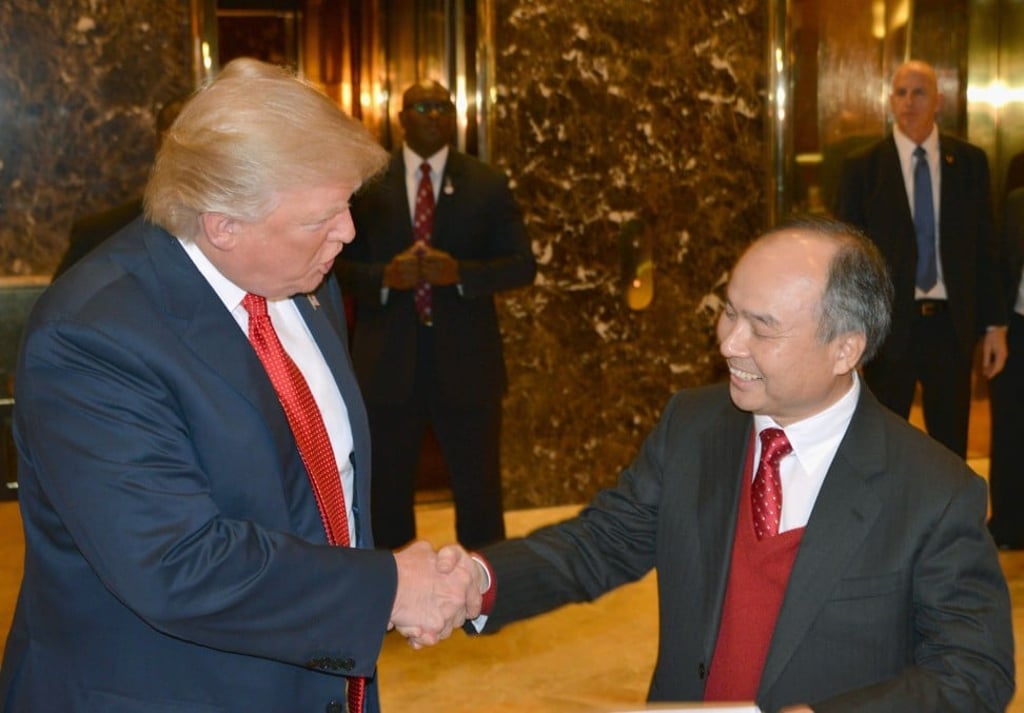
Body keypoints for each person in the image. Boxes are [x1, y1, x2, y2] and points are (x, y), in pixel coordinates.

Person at [0, 58, 482, 712]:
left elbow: (321, 491)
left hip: (326, 681)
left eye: (346, 206)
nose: (348, 232)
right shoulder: (92, 338)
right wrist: (388, 589)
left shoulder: (305, 280)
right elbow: (178, 561)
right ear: (222, 222)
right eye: (324, 216)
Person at [458, 218, 1014, 712]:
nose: (728, 342)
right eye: (729, 311)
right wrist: (476, 583)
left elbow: (973, 672)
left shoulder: (934, 491)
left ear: (845, 349)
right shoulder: (694, 426)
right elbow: (600, 543)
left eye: (762, 327)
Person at [336, 80, 536, 551]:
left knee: (479, 488)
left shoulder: (487, 183)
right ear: (401, 118)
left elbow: (522, 265)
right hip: (386, 363)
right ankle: (396, 594)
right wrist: (386, 277)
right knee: (386, 491)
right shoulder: (367, 184)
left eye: (443, 107)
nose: (433, 115)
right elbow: (334, 269)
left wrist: (460, 273)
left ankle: (484, 595)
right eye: (422, 107)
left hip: (467, 363)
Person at [834, 60, 1007, 458]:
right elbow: (848, 259)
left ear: (939, 101)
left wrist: (995, 324)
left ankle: (947, 521)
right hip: (888, 326)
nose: (908, 102)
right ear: (890, 100)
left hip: (951, 326)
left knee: (949, 447)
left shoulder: (970, 164)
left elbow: (986, 247)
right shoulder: (863, 168)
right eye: (900, 93)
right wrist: (848, 329)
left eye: (919, 92)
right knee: (880, 444)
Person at [53, 96, 187, 278]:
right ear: (160, 149)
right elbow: (64, 305)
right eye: (184, 147)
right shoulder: (99, 238)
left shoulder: (236, 238)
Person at [988, 186, 1024, 549]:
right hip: (1017, 327)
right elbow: (997, 267)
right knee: (1011, 429)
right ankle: (1009, 524)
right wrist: (993, 327)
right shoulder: (1015, 203)